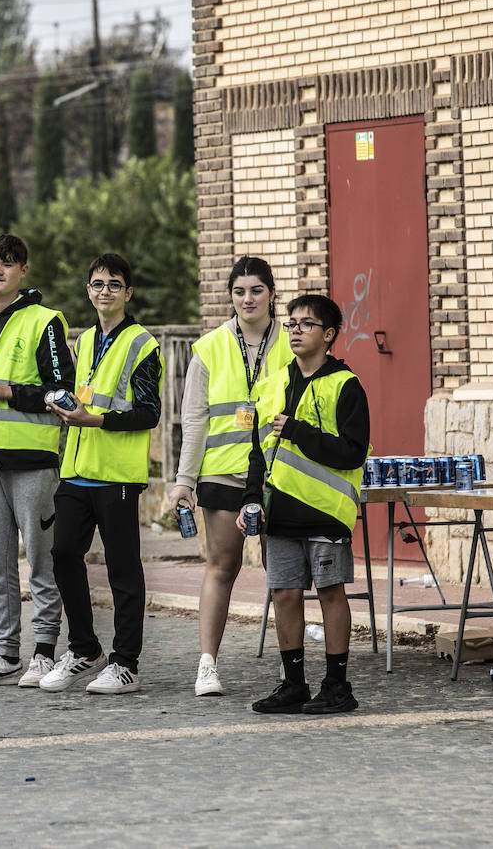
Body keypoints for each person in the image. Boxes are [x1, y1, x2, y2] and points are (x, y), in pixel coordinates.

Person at [0, 233, 76, 688]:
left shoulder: (45, 322)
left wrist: (5, 390)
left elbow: (62, 392)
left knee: (40, 563)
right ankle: (5, 654)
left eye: (7, 263)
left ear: (24, 270)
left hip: (31, 460)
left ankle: (44, 651)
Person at [165, 256, 292, 697]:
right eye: (239, 292)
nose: (248, 299)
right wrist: (183, 479)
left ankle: (290, 668)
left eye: (256, 290)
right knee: (223, 566)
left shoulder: (293, 342)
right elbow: (194, 420)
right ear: (231, 297)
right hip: (222, 473)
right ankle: (207, 665)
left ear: (272, 293)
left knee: (284, 573)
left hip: (279, 474)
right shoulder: (210, 347)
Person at [241, 293, 370, 715]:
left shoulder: (346, 385)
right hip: (279, 513)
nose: (295, 330)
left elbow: (352, 453)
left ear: (328, 335)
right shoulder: (274, 382)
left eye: (306, 324)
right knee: (284, 594)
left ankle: (337, 687)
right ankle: (293, 684)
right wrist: (250, 499)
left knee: (331, 594)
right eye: (291, 323)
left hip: (326, 512)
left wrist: (298, 430)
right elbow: (258, 449)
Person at [40, 254, 163, 695]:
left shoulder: (142, 343)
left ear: (128, 293)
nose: (104, 291)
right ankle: (85, 648)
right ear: (88, 291)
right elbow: (84, 398)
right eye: (97, 284)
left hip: (117, 476)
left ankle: (126, 662)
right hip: (76, 472)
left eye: (114, 284)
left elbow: (149, 413)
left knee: (122, 570)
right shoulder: (85, 339)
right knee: (62, 555)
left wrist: (96, 420)